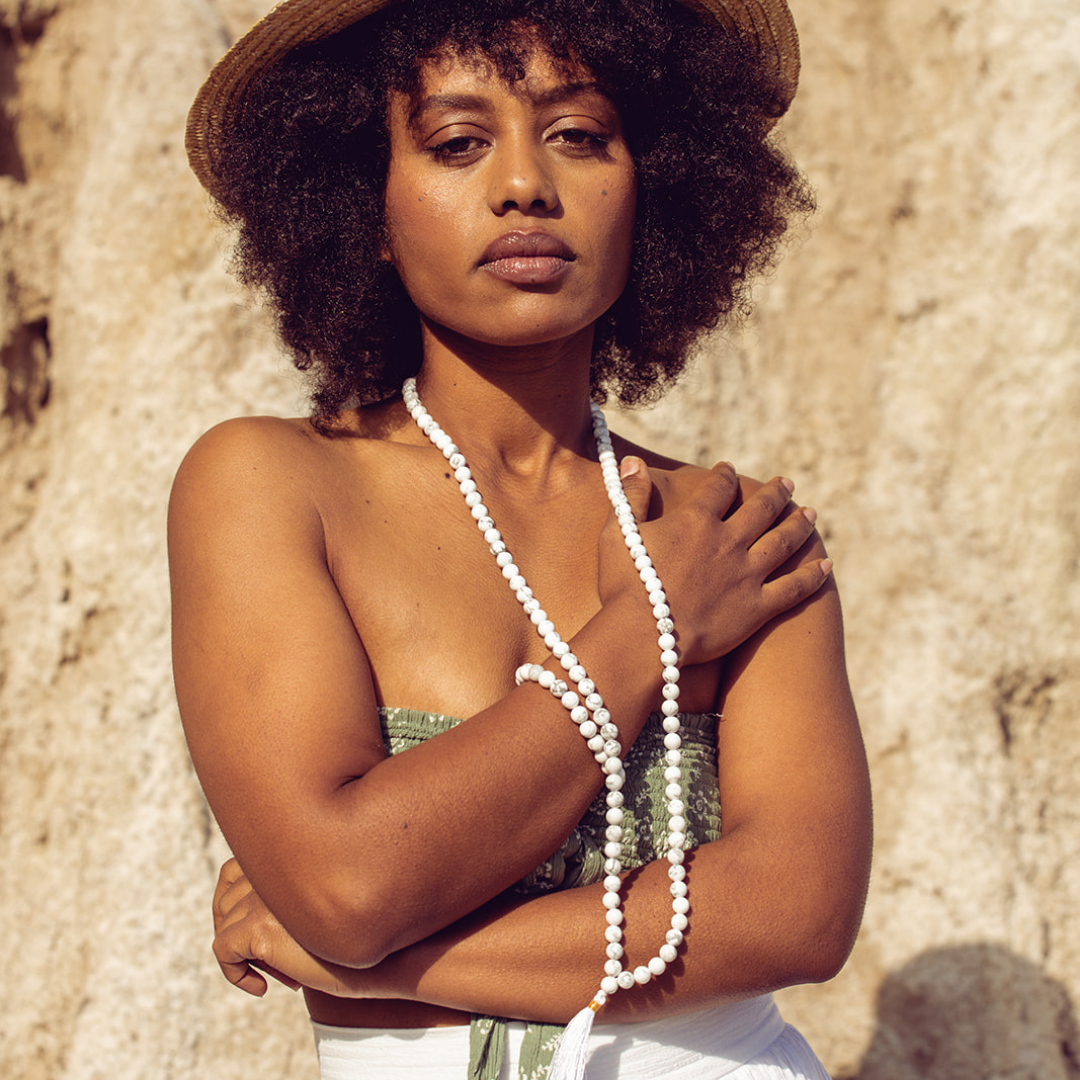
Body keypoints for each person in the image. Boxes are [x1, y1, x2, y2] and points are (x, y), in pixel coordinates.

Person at [170, 0, 873, 1077]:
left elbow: (798, 916)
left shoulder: (732, 533)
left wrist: (385, 967)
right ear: (364, 205)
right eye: (457, 144)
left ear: (657, 186)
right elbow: (350, 886)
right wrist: (650, 633)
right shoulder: (273, 486)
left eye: (580, 135)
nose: (525, 187)